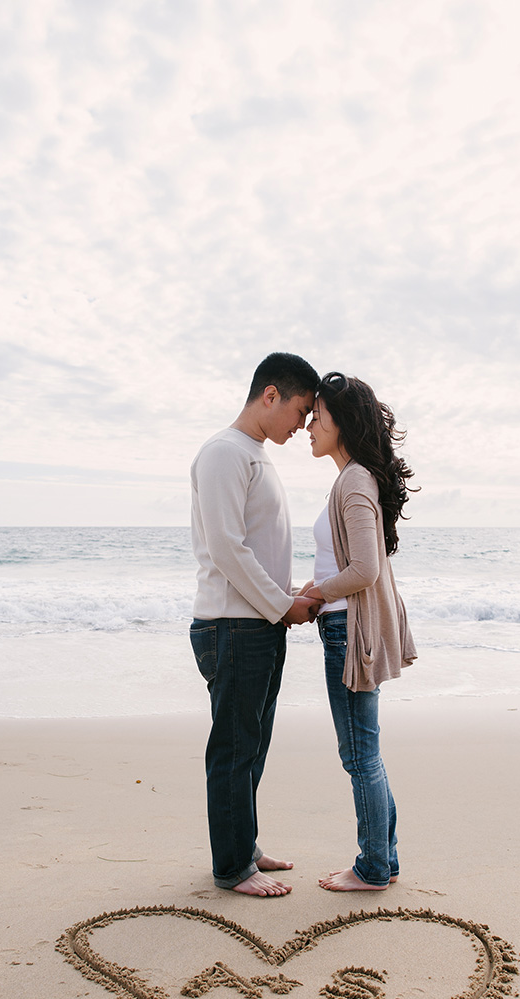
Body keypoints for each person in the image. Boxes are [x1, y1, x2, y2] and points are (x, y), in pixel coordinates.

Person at [189, 352, 321, 896]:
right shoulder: (224, 452)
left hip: (257, 620)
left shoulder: (255, 455)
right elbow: (225, 547)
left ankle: (243, 845)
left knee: (254, 745)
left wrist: (286, 593)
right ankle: (231, 867)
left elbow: (256, 549)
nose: (303, 424)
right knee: (235, 747)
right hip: (233, 626)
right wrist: (279, 604)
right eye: (300, 410)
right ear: (271, 394)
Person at [298, 372, 417, 891]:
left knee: (358, 755)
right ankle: (383, 860)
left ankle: (371, 867)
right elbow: (356, 565)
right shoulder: (354, 477)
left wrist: (320, 592)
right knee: (366, 751)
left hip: (346, 633)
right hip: (346, 625)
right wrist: (319, 584)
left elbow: (365, 569)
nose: (308, 425)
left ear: (341, 423)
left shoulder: (353, 481)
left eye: (317, 417)